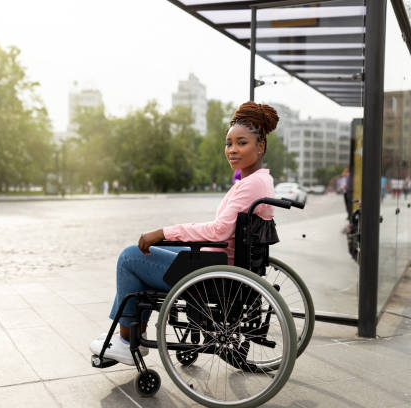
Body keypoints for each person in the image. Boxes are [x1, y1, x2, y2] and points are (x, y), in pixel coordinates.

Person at [89, 101, 279, 364]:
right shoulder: (261, 180)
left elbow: (218, 230)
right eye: (228, 143)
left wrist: (164, 231)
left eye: (241, 143)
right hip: (223, 262)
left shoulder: (250, 185)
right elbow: (223, 229)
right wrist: (170, 236)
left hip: (213, 273)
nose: (232, 150)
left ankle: (125, 340)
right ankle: (125, 333)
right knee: (149, 252)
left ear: (261, 146)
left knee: (131, 257)